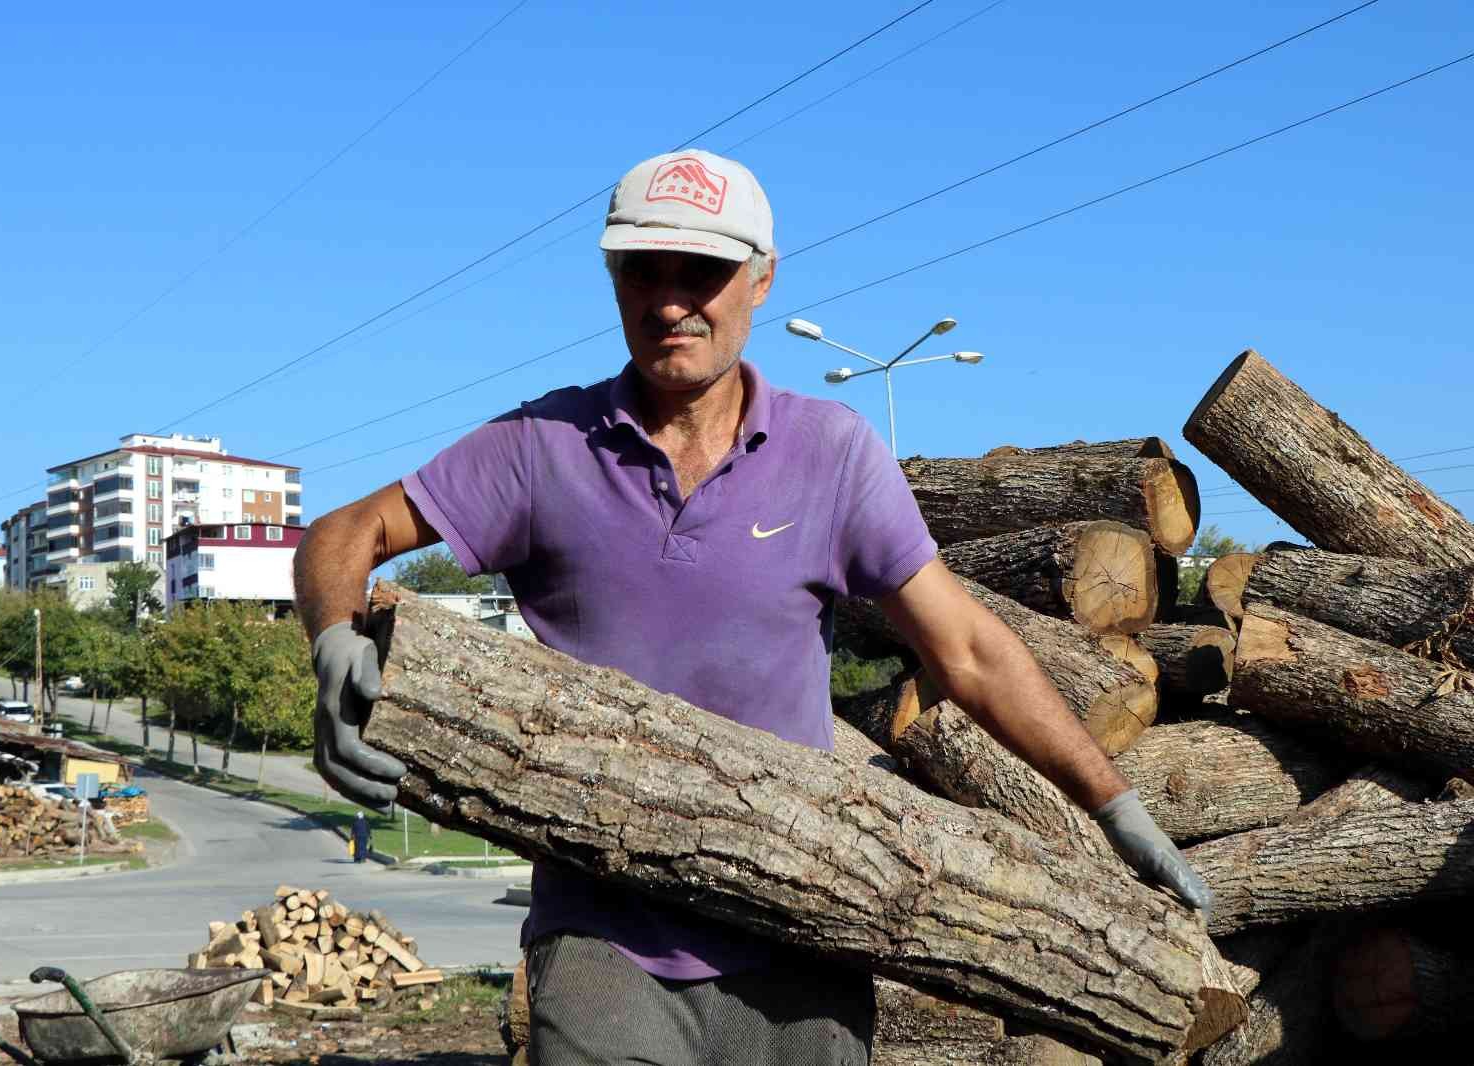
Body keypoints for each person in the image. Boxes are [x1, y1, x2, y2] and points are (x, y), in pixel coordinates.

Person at [294, 148, 1211, 1066]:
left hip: (801, 933)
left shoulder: (833, 454)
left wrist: (1113, 803)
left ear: (763, 280)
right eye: (642, 270)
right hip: (603, 945)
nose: (668, 300)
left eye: (703, 272)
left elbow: (966, 650)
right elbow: (345, 533)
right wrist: (333, 638)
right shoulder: (543, 447)